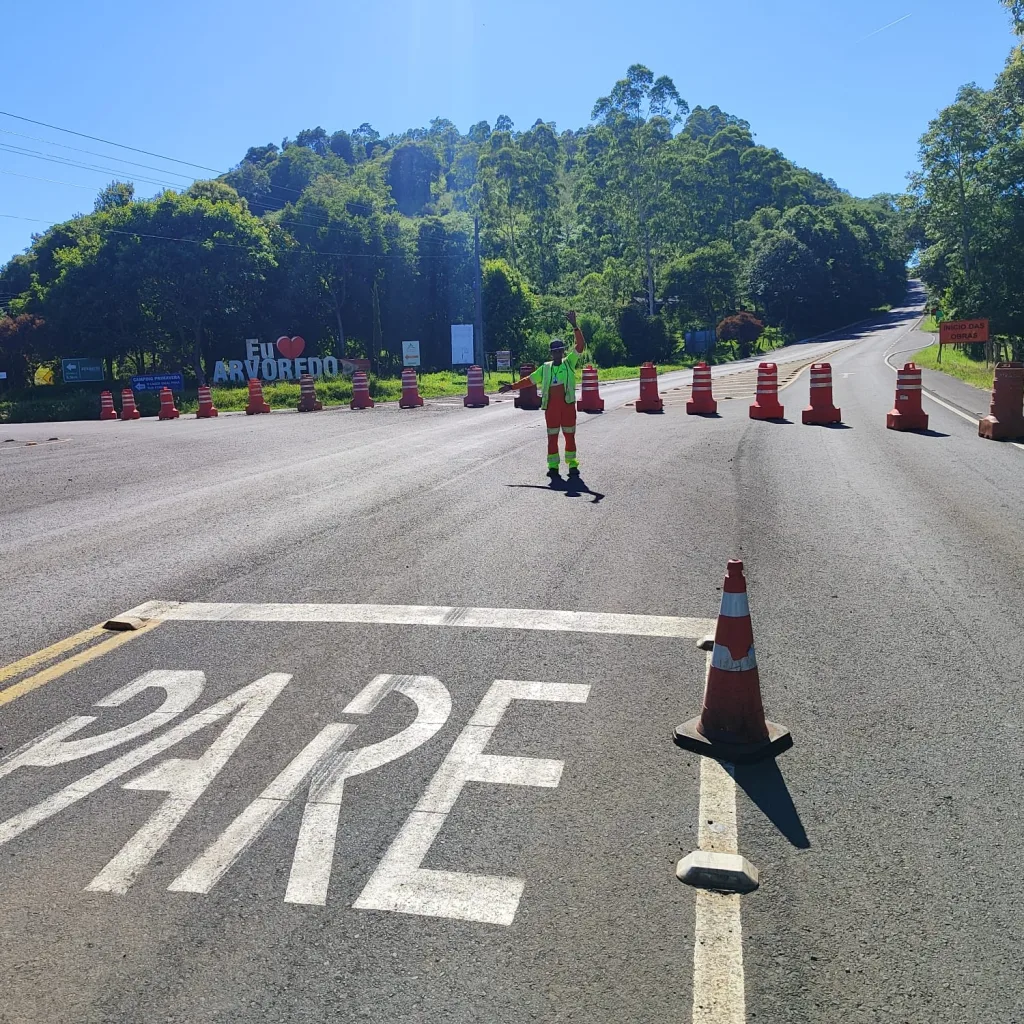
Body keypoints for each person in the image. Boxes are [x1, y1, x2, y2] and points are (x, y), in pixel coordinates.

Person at [500, 311, 587, 478]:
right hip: (551, 409)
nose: (557, 354)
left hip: (567, 407)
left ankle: (572, 464)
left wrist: (575, 326)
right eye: (555, 352)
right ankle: (553, 466)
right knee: (552, 438)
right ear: (551, 353)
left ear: (563, 352)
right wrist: (512, 386)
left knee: (569, 436)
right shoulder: (545, 368)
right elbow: (529, 380)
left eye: (560, 351)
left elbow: (580, 346)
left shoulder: (569, 363)